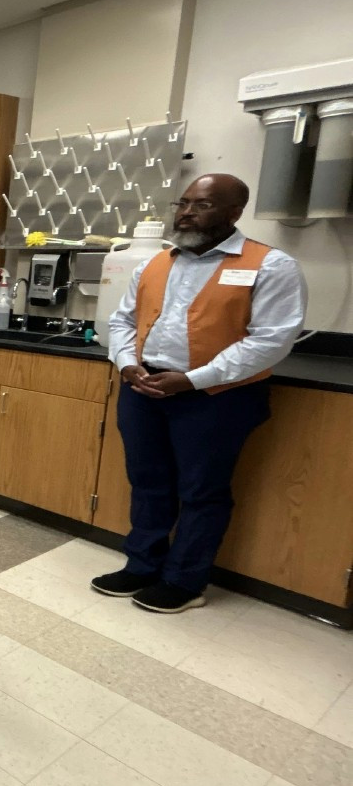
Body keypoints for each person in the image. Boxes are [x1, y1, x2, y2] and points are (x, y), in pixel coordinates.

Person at [91, 173, 306, 613]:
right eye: (183, 202)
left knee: (201, 490)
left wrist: (192, 379)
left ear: (234, 212)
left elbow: (271, 341)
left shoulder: (269, 265)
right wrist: (127, 364)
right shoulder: (156, 263)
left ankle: (185, 581)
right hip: (144, 387)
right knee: (147, 482)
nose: (187, 211)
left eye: (202, 204)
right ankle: (142, 565)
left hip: (217, 398)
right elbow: (123, 321)